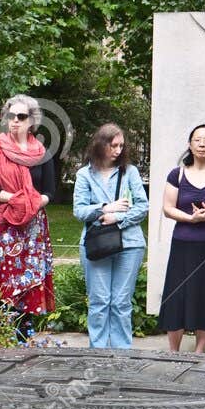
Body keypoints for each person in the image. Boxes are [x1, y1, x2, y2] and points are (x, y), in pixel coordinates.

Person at [0, 94, 56, 335]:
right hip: (4, 228)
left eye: (21, 117)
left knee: (29, 285)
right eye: (10, 116)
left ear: (31, 121)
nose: (15, 121)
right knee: (2, 286)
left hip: (32, 230)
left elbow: (51, 190)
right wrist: (11, 198)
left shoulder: (42, 153)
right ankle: (1, 337)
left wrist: (34, 202)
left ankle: (24, 339)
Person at [157, 123, 205, 353]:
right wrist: (190, 219)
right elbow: (168, 208)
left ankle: (200, 351)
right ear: (190, 145)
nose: (202, 144)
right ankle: (174, 351)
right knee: (177, 296)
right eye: (198, 140)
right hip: (183, 244)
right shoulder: (177, 174)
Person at [74, 122, 150, 349]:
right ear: (101, 145)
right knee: (99, 301)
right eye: (113, 145)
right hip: (97, 244)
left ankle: (121, 354)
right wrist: (107, 207)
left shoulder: (131, 172)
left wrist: (117, 218)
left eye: (121, 146)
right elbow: (79, 211)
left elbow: (142, 207)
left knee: (120, 302)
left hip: (130, 244)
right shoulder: (84, 174)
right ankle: (97, 353)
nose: (118, 150)